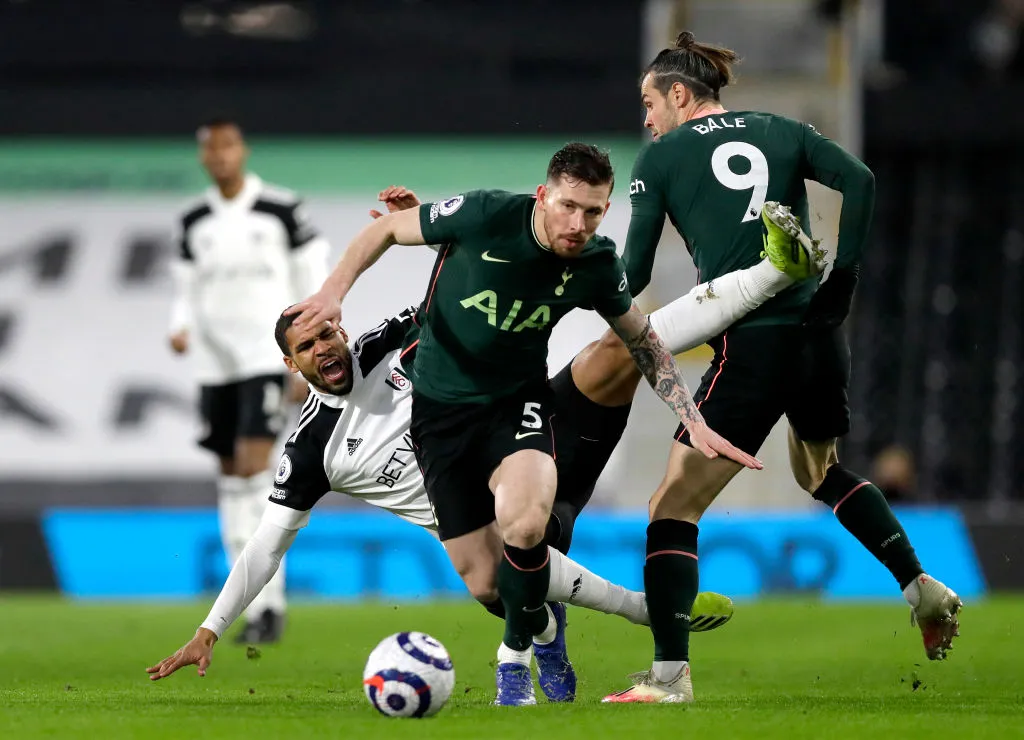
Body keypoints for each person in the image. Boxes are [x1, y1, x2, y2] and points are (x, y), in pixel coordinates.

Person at [147, 183, 817, 691]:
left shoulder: (391, 342)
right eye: (307, 345)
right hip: (484, 522)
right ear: (291, 365)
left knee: (619, 349)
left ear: (340, 326)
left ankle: (773, 271)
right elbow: (265, 546)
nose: (324, 345)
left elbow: (468, 289)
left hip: (529, 425)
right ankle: (572, 627)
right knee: (492, 580)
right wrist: (209, 631)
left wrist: (441, 239)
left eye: (326, 330)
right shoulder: (312, 451)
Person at [286, 143, 763, 706]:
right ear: (543, 196)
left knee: (528, 523)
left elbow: (642, 339)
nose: (579, 223)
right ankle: (545, 632)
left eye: (593, 211)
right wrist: (331, 293)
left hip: (517, 407)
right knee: (487, 583)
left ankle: (511, 663)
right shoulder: (488, 214)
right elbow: (384, 231)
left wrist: (692, 416)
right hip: (438, 420)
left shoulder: (595, 264)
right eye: (568, 206)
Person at [599, 32, 962, 705]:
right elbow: (859, 178)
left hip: (752, 341)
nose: (647, 117)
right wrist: (843, 279)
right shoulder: (782, 129)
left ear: (679, 95)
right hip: (819, 332)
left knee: (671, 504)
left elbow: (636, 272)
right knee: (818, 472)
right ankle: (923, 588)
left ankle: (670, 679)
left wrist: (585, 286)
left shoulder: (663, 156)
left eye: (650, 102)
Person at [167, 117, 330, 644]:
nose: (219, 156)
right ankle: (248, 601)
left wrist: (309, 349)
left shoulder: (281, 209)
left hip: (264, 356)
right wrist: (179, 327)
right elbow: (184, 286)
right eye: (210, 148)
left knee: (257, 471)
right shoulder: (194, 219)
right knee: (232, 476)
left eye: (228, 146)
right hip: (214, 364)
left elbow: (311, 275)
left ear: (243, 151)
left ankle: (270, 604)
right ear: (202, 157)